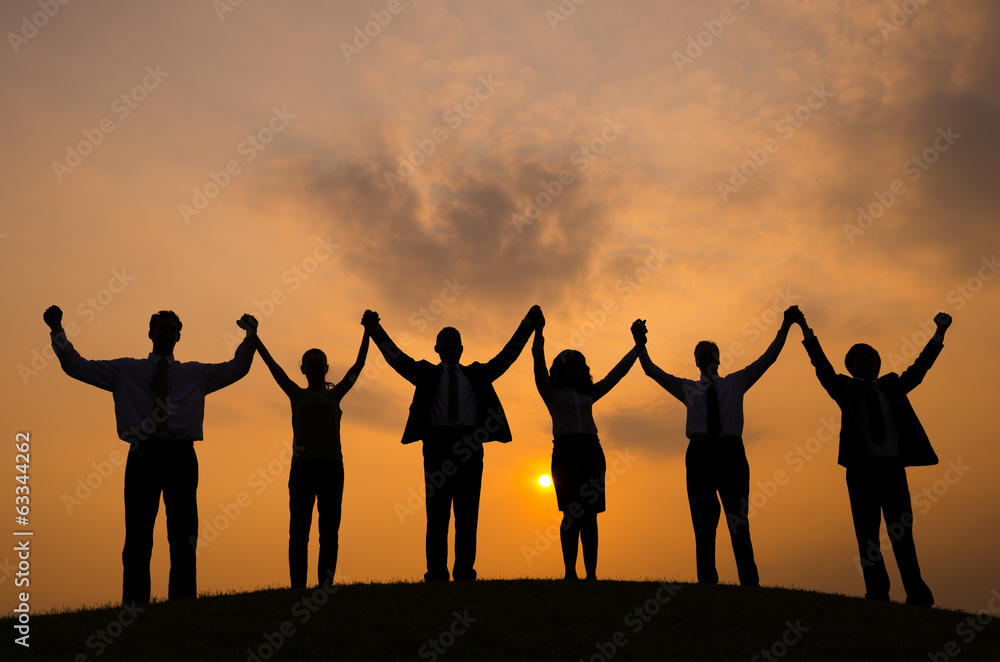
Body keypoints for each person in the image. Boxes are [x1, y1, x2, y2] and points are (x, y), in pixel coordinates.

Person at [43, 305, 257, 604]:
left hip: (181, 456)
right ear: (150, 333)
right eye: (162, 328)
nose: (166, 332)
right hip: (143, 455)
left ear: (179, 336)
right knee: (138, 534)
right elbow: (78, 366)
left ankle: (182, 602)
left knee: (183, 534)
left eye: (172, 329)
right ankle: (134, 604)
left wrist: (250, 337)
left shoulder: (194, 373)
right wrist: (57, 330)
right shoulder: (126, 369)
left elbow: (236, 368)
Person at [361, 306, 539, 581]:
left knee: (468, 515)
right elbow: (398, 360)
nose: (451, 345)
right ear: (436, 348)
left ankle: (464, 571)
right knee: (437, 515)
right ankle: (436, 572)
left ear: (462, 348)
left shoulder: (476, 374)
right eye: (446, 341)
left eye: (455, 341)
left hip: (470, 445)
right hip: (437, 446)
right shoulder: (426, 373)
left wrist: (527, 324)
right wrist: (376, 331)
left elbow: (507, 356)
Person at [632, 307, 801, 586]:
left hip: (731, 452)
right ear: (696, 362)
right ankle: (707, 583)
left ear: (719, 360)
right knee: (703, 522)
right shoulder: (688, 388)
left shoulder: (736, 382)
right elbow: (651, 371)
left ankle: (749, 581)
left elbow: (768, 358)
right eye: (702, 356)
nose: (707, 359)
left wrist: (785, 326)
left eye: (711, 355)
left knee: (738, 520)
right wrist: (640, 343)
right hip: (700, 454)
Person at [797, 310, 951, 606]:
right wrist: (805, 329)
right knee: (867, 535)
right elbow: (822, 366)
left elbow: (920, 369)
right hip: (861, 471)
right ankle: (877, 592)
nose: (867, 359)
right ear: (851, 367)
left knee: (902, 533)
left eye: (871, 356)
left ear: (879, 364)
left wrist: (939, 333)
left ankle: (917, 593)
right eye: (860, 357)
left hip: (892, 469)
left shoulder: (892, 385)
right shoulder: (845, 388)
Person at [249, 321, 370, 588]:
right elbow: (272, 366)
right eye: (311, 366)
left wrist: (367, 331)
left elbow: (358, 366)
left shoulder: (334, 396)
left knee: (329, 532)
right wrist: (253, 336)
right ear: (303, 370)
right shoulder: (296, 394)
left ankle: (324, 586)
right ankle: (298, 588)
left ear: (326, 369)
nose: (315, 370)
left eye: (320, 366)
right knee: (299, 533)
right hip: (302, 468)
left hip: (331, 468)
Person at [530, 309, 638, 580]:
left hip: (591, 450)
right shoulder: (551, 393)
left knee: (590, 515)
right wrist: (539, 333)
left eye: (575, 364)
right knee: (571, 513)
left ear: (581, 369)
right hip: (565, 452)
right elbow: (538, 363)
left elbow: (617, 374)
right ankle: (570, 573)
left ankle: (591, 575)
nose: (570, 367)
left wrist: (637, 347)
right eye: (566, 363)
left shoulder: (589, 392)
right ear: (559, 368)